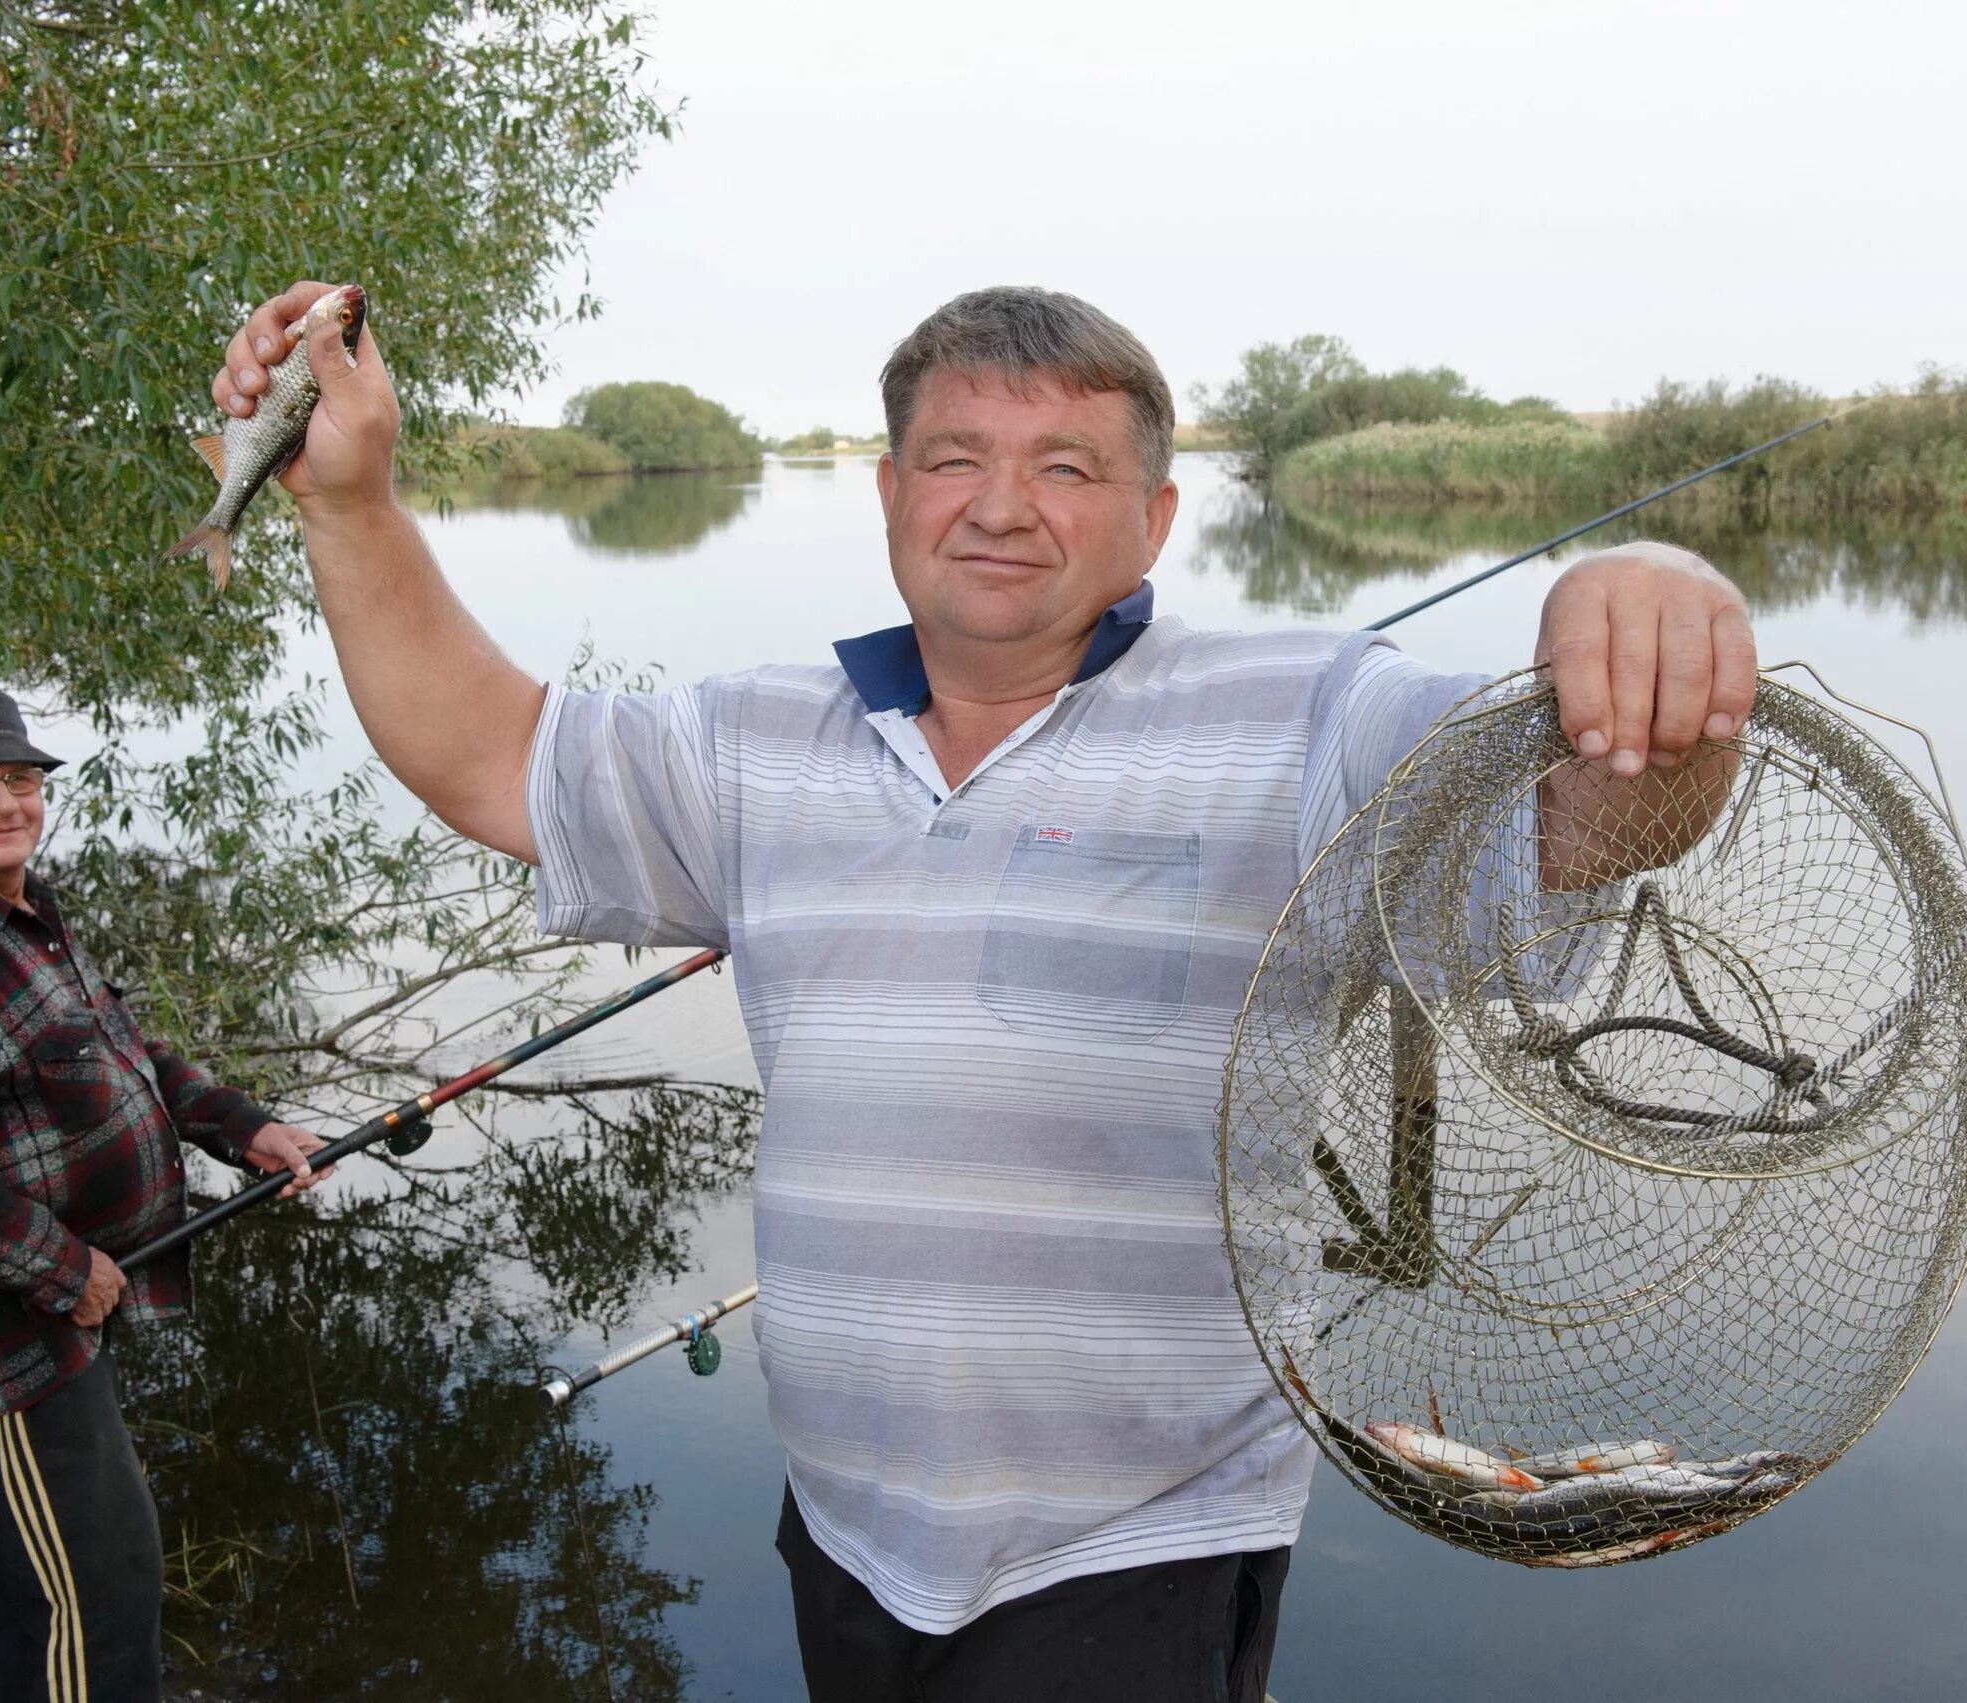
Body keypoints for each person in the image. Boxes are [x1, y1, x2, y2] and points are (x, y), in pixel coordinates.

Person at [209, 282, 1757, 1700]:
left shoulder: (1314, 715)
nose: (1003, 507)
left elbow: (1574, 828)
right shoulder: (753, 739)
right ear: (889, 495)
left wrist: (1654, 612)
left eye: (1068, 468)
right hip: (849, 1528)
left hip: (1134, 1548)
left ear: (1153, 520)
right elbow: (485, 750)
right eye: (953, 458)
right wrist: (348, 505)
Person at [0, 688, 334, 1703]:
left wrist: (243, 1127)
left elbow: (122, 1052)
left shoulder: (14, 911)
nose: (3, 802)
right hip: (17, 1326)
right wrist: (67, 1269)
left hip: (65, 1306)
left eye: (19, 778)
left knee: (14, 1580)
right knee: (94, 1590)